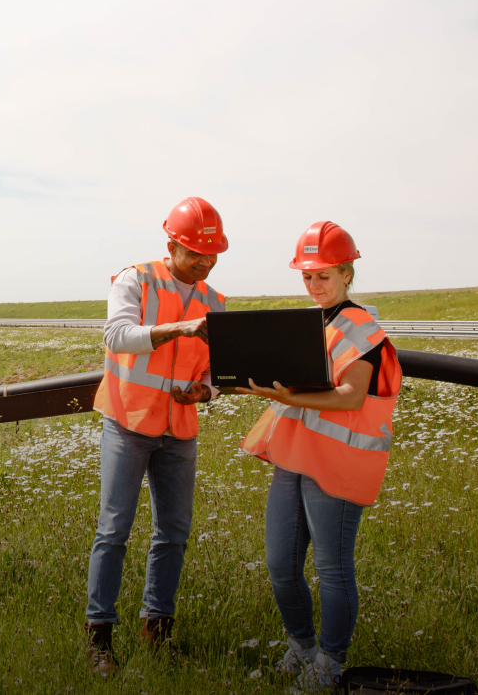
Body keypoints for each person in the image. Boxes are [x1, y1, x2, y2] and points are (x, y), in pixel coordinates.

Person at [238, 221, 400, 693]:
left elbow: (351, 397)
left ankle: (330, 663)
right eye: (306, 277)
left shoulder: (362, 328)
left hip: (339, 463)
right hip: (296, 455)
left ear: (348, 273)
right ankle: (302, 647)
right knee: (280, 563)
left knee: (332, 567)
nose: (313, 286)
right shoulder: (313, 322)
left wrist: (288, 397)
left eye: (323, 276)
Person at [86, 196, 227, 675]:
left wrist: (203, 392)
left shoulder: (215, 301)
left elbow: (215, 372)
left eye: (212, 256)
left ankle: (157, 630)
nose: (204, 264)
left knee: (174, 533)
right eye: (195, 255)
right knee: (114, 530)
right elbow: (116, 336)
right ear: (171, 245)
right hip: (128, 421)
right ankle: (99, 637)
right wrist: (180, 328)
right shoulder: (136, 279)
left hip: (179, 427)